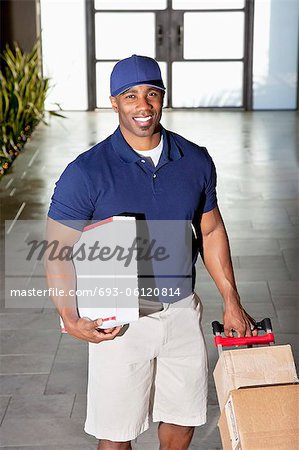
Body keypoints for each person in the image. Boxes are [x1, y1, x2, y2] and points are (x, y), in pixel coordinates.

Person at [45, 55, 257, 450]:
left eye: (151, 94)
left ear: (162, 97)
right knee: (117, 431)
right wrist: (68, 315)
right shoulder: (86, 172)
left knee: (182, 419)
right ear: (113, 101)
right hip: (120, 320)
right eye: (130, 96)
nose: (142, 106)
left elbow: (210, 230)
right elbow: (58, 250)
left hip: (181, 312)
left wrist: (231, 298)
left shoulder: (195, 160)